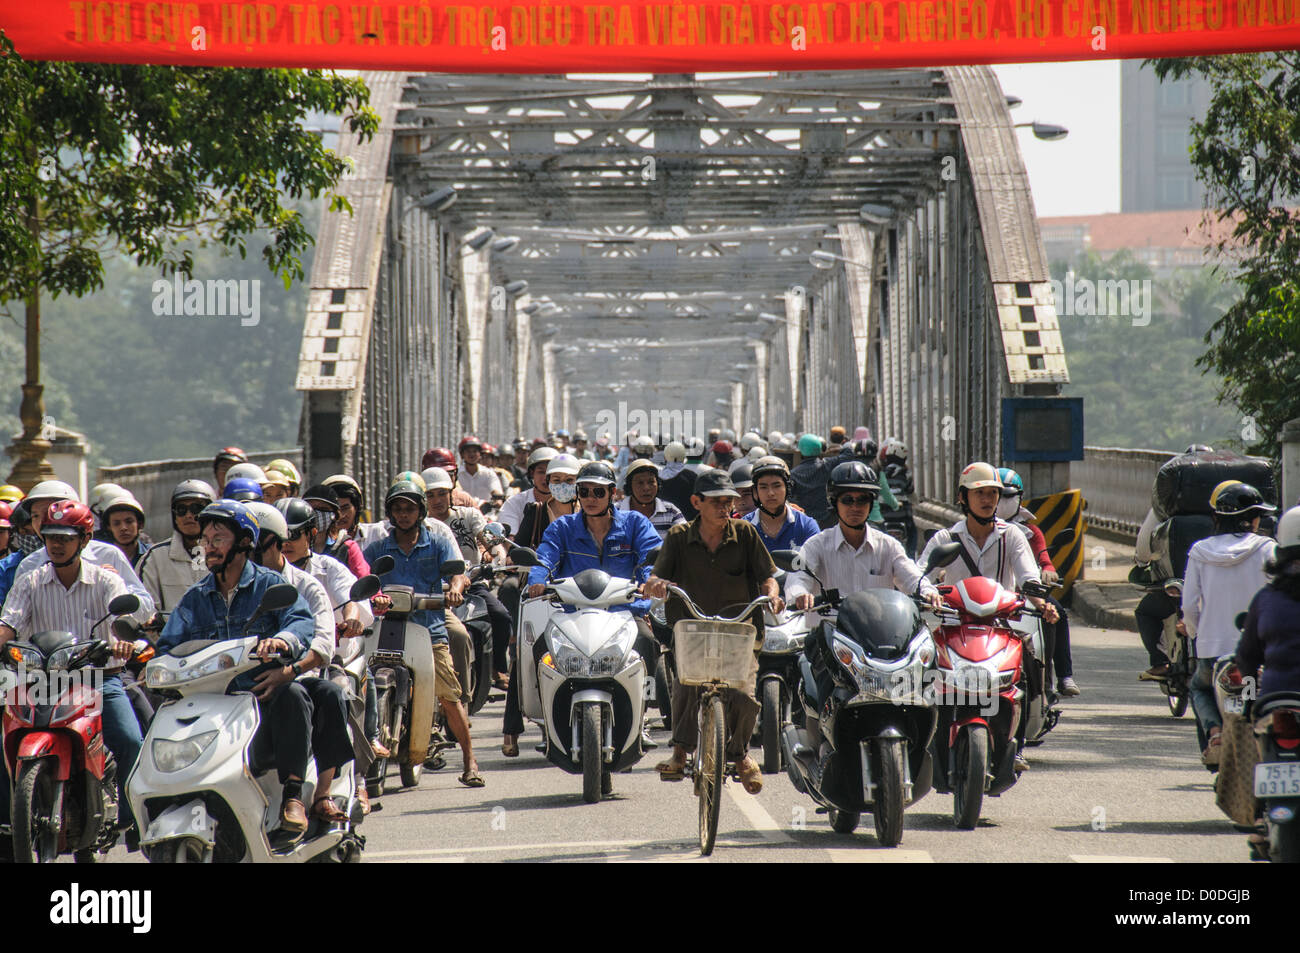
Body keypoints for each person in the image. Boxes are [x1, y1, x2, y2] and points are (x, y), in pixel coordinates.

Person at [157, 500, 318, 834]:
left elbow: (300, 623)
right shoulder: (194, 598)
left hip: (260, 703)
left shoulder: (271, 585)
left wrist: (282, 641)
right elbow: (169, 645)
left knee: (294, 694)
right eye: (206, 539)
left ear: (244, 542)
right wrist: (157, 663)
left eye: (218, 538)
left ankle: (293, 795)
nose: (209, 546)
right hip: (210, 706)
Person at [0, 500, 153, 842]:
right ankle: (9, 827)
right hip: (43, 681)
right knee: (3, 743)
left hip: (100, 680)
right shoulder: (30, 580)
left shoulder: (105, 580)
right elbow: (8, 622)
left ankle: (133, 821)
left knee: (130, 740)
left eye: (65, 538)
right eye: (51, 536)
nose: (55, 544)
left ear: (84, 540)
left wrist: (122, 641)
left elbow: (122, 620)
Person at [644, 469, 782, 794]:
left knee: (745, 694)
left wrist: (772, 594)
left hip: (739, 631)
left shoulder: (746, 533)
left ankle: (740, 755)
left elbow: (768, 577)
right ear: (696, 502)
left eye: (729, 502)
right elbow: (655, 578)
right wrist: (656, 585)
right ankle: (679, 752)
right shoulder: (679, 536)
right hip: (693, 630)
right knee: (685, 686)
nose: (724, 508)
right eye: (716, 502)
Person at [917, 461, 1058, 771]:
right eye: (979, 493)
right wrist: (927, 593)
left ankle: (1022, 736)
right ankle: (921, 739)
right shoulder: (944, 539)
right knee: (920, 666)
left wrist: (1040, 601)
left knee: (1031, 659)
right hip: (952, 624)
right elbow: (919, 574)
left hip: (1002, 624)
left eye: (993, 493)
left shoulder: (1013, 537)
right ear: (962, 498)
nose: (987, 499)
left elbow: (1027, 575)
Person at [524, 461, 664, 750]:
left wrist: (648, 584)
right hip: (574, 615)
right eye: (584, 491)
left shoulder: (636, 524)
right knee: (539, 649)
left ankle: (642, 717)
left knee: (648, 642)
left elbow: (652, 560)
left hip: (624, 614)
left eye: (598, 492)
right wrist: (536, 581)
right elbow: (543, 559)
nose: (590, 498)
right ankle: (548, 722)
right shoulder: (562, 527)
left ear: (612, 494)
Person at [362, 481, 483, 787]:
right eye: (398, 509)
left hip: (428, 625)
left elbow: (457, 572)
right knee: (361, 684)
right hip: (386, 626)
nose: (403, 515)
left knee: (448, 694)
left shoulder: (437, 542)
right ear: (390, 513)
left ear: (421, 512)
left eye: (409, 509)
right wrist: (370, 596)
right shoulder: (377, 548)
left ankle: (470, 759)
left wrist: (455, 589)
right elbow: (363, 577)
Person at [248, 501, 362, 821]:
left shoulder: (307, 583)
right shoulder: (228, 585)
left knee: (330, 692)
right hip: (236, 681)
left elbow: (321, 640)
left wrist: (289, 670)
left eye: (264, 541)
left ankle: (315, 793)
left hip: (295, 677)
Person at [1182, 481, 1276, 764]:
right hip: (1254, 653)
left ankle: (1214, 730)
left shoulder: (1200, 551)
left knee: (1199, 687)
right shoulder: (1267, 549)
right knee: (1253, 693)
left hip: (1212, 651)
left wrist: (1195, 632)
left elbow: (1188, 605)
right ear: (1252, 518)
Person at [500, 453, 579, 756]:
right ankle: (511, 729)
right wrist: (520, 565)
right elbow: (517, 550)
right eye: (556, 481)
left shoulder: (591, 514)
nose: (562, 486)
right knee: (527, 654)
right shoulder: (535, 512)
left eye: (569, 481)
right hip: (540, 596)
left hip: (582, 596)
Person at [11, 480, 156, 619]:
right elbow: (14, 619)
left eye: (51, 512)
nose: (43, 521)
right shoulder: (29, 566)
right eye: (35, 515)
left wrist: (117, 587)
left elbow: (146, 610)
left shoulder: (108, 555)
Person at [425, 468, 514, 691]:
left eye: (441, 493)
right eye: (430, 495)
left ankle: (496, 668)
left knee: (501, 616)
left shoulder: (468, 515)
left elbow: (488, 538)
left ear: (451, 492)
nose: (436, 500)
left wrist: (497, 555)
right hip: (433, 590)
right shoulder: (421, 525)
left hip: (472, 583)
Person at [996, 468, 1079, 697]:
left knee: (1055, 614)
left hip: (1024, 593)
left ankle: (1058, 677)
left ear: (1019, 497)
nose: (1000, 501)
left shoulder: (1029, 532)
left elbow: (1044, 559)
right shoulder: (972, 532)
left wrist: (1048, 571)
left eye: (1008, 496)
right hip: (988, 595)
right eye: (993, 494)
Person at [136, 479, 215, 612]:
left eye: (196, 508)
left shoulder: (225, 554)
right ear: (174, 516)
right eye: (181, 510)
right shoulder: (155, 558)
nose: (189, 515)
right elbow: (146, 610)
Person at [745, 455, 820, 552]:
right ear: (756, 491)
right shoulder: (745, 527)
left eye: (777, 486)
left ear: (787, 488)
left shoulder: (806, 526)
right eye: (763, 487)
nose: (770, 493)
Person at [498, 446, 560, 541]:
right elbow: (510, 540)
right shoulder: (514, 503)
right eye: (541, 472)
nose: (546, 478)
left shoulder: (570, 503)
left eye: (551, 473)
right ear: (532, 473)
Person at [617, 458, 686, 540]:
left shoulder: (671, 512)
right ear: (630, 486)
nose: (646, 488)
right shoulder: (615, 512)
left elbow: (685, 538)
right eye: (640, 483)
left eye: (651, 482)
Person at [95, 490, 152, 566]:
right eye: (116, 523)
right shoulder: (99, 557)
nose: (123, 528)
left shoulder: (152, 555)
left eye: (129, 521)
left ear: (140, 524)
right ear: (109, 527)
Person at [791, 433, 835, 527]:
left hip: (805, 521)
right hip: (825, 519)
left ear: (801, 450)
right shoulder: (826, 465)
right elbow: (848, 455)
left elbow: (790, 498)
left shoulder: (794, 473)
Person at [456, 436, 503, 505]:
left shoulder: (488, 474)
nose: (472, 454)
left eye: (475, 451)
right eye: (468, 452)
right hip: (462, 512)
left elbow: (496, 490)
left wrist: (498, 500)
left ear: (479, 454)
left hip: (486, 512)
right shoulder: (456, 474)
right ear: (462, 455)